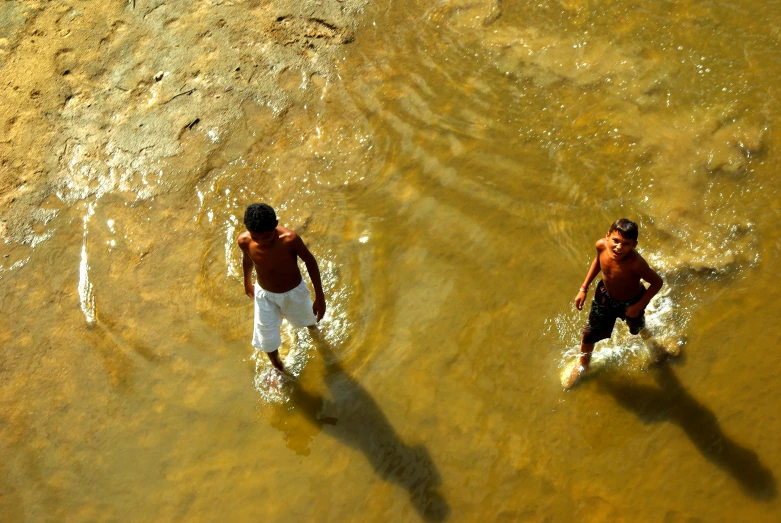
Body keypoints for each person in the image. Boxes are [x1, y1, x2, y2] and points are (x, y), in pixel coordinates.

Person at [565, 219, 664, 389]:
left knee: (637, 328)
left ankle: (654, 345)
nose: (619, 247)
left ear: (634, 245)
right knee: (590, 332)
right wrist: (584, 287)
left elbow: (657, 283)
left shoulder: (636, 264)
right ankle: (583, 364)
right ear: (608, 236)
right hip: (605, 296)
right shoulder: (601, 246)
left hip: (631, 302)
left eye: (626, 244)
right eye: (616, 241)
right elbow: (598, 261)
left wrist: (638, 306)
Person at [238, 203, 326, 375]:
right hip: (265, 295)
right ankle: (278, 367)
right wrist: (247, 282)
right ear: (248, 230)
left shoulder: (289, 239)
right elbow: (247, 260)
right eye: (257, 238)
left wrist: (320, 297)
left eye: (268, 237)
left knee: (308, 321)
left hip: (293, 293)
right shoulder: (244, 241)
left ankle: (316, 334)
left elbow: (310, 262)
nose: (262, 242)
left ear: (275, 225)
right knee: (266, 339)